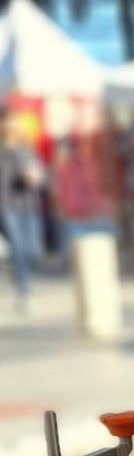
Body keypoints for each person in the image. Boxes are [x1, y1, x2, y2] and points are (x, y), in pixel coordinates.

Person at [0, 109, 46, 312]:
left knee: (32, 249)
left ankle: (17, 273)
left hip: (28, 203)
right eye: (9, 122)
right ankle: (23, 291)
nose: (13, 126)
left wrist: (36, 176)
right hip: (6, 204)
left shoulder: (26, 148)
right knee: (18, 247)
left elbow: (37, 171)